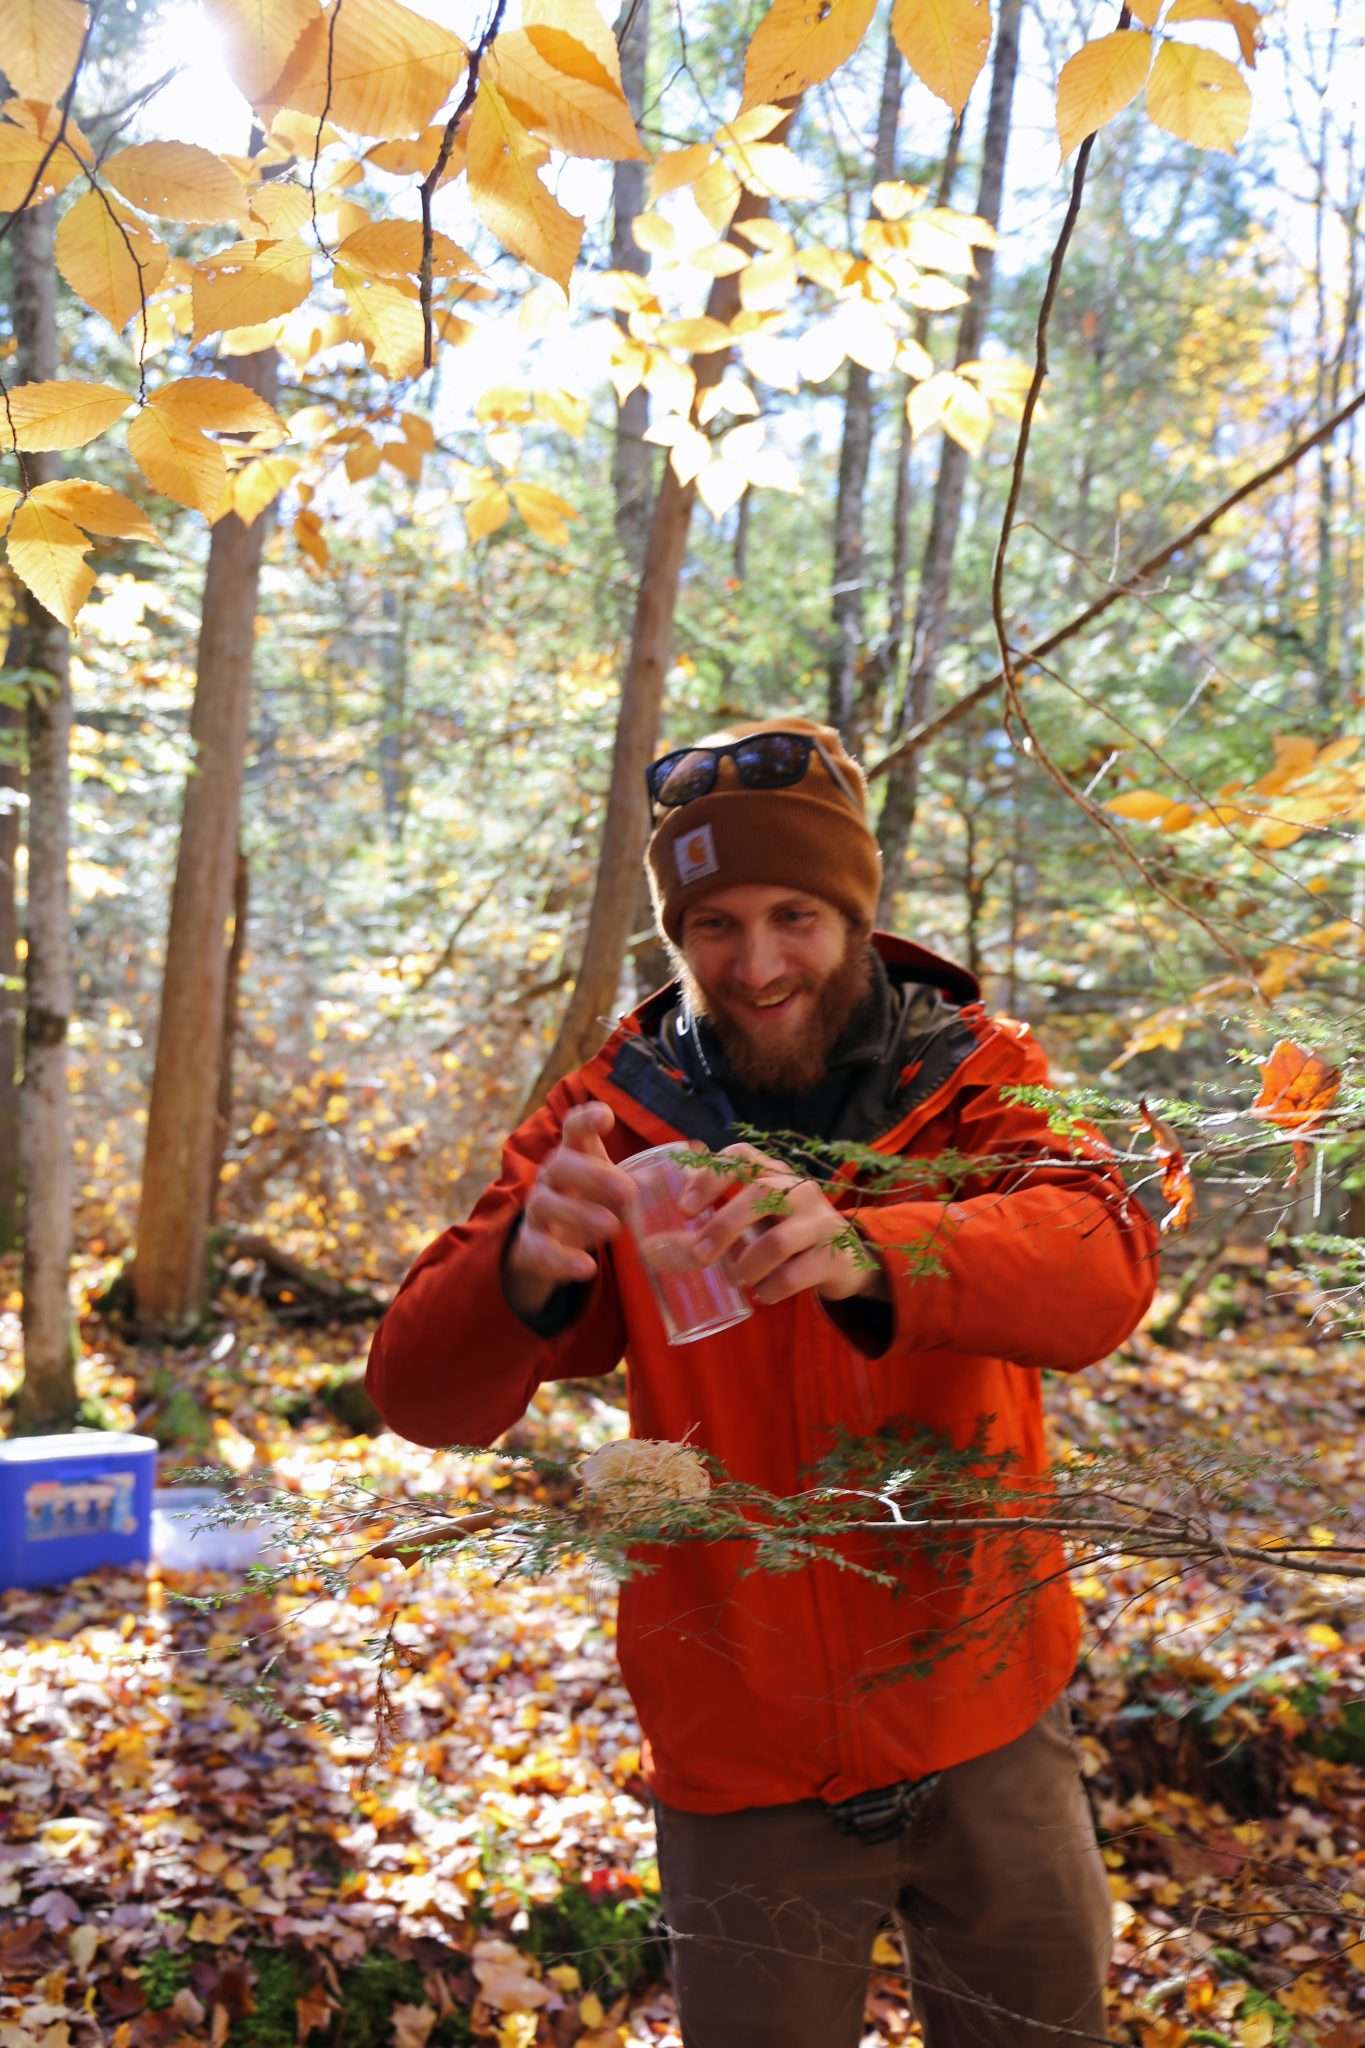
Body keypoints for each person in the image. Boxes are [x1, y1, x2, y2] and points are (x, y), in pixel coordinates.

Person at [366, 715, 1159, 2048]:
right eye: (714, 924)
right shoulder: (614, 1110)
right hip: (740, 1746)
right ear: (676, 934)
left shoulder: (975, 1076)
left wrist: (871, 1250)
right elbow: (418, 1397)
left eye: (795, 913)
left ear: (855, 910)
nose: (757, 963)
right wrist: (520, 1270)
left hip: (984, 1709)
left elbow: (1098, 1272)